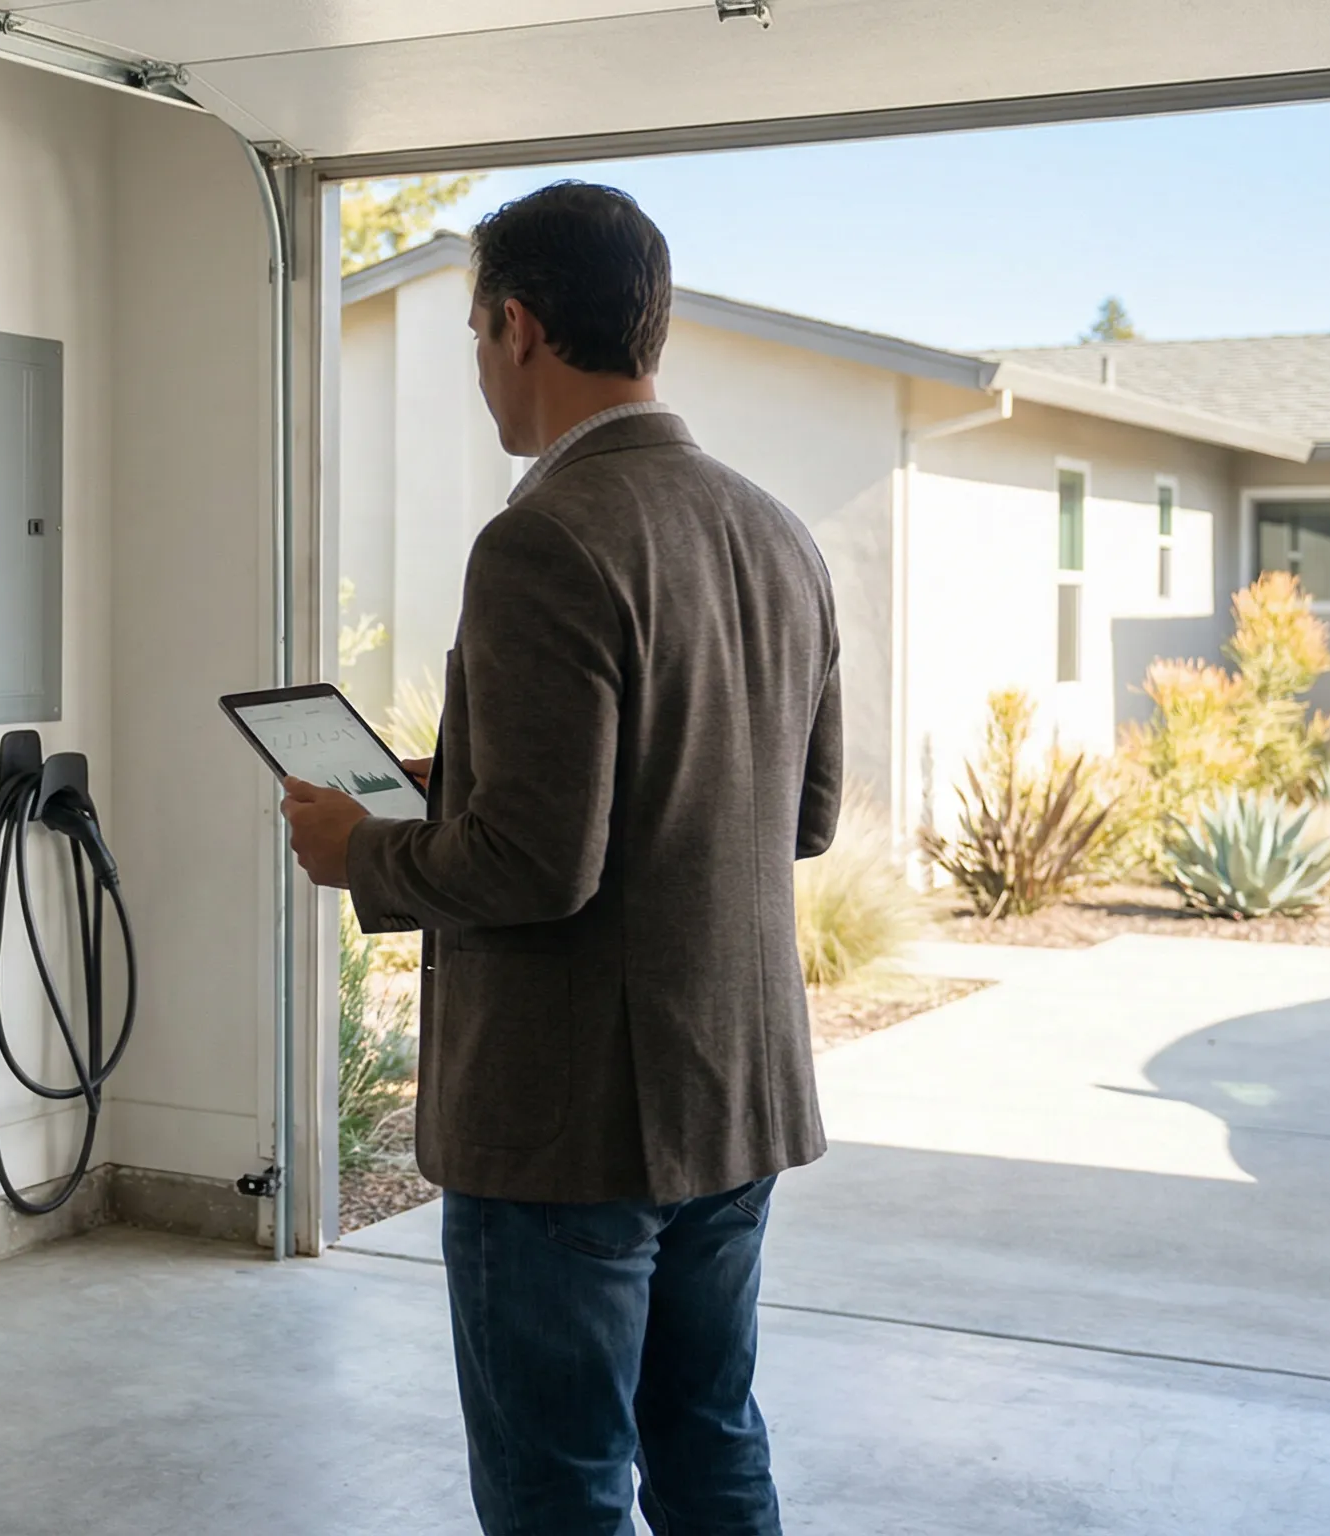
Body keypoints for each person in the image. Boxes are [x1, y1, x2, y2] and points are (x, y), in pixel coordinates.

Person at [281, 182, 840, 1534]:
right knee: (709, 1441)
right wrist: (462, 787)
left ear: (518, 325)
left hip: (568, 1130)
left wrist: (365, 847)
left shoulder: (543, 538)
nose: (480, 372)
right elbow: (800, 814)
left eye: (477, 335)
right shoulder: (780, 533)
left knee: (560, 1487)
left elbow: (538, 871)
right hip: (739, 1104)